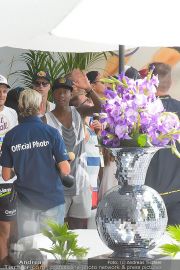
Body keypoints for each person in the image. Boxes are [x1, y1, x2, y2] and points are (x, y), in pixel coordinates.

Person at [0, 89, 70, 239]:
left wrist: (19, 169)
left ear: (20, 108)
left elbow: (5, 176)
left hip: (26, 203)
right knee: (53, 249)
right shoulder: (51, 132)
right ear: (40, 107)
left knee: (30, 252)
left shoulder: (10, 136)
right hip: (52, 200)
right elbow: (65, 168)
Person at [44, 69, 102, 229]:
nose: (62, 95)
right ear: (53, 95)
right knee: (56, 233)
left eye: (66, 91)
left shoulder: (79, 112)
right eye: (58, 92)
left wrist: (89, 89)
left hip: (81, 184)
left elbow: (102, 107)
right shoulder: (45, 119)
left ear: (71, 95)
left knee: (79, 232)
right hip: (56, 185)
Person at [145, 62, 180, 225]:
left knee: (147, 241)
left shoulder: (139, 112)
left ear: (149, 81)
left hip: (147, 192)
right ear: (170, 83)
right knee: (175, 246)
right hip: (177, 190)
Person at [0, 75, 18, 263]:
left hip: (7, 179)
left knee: (7, 227)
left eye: (4, 90)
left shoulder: (12, 113)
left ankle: (4, 261)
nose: (1, 94)